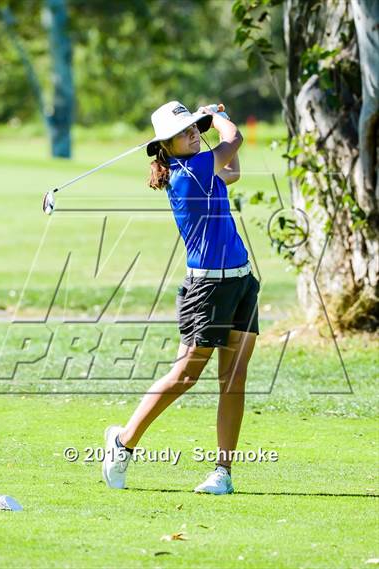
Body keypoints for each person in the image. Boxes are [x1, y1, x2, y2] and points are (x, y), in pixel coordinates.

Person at [102, 101, 260, 495]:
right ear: (165, 146)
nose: (191, 133)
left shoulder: (203, 169)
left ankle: (223, 473)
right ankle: (123, 443)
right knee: (186, 376)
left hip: (241, 281)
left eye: (193, 128)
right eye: (183, 132)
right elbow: (234, 138)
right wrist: (215, 116)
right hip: (208, 289)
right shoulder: (188, 172)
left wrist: (201, 122)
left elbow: (234, 169)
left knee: (233, 379)